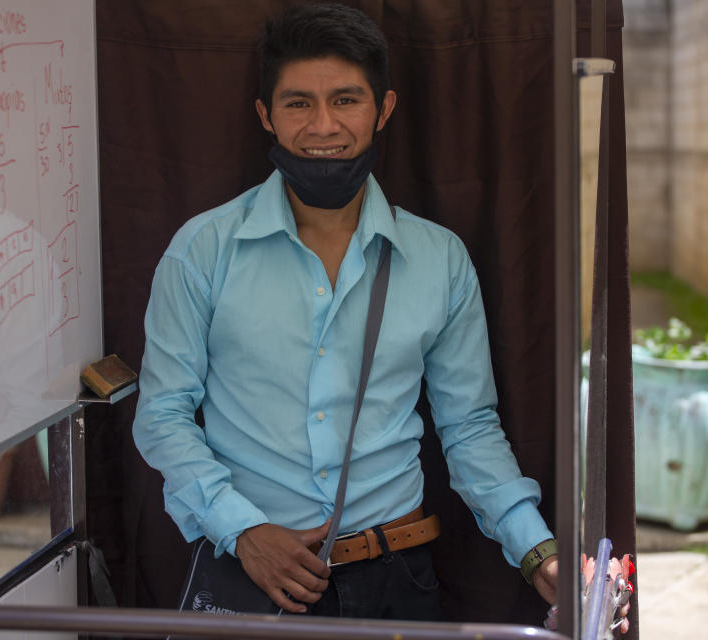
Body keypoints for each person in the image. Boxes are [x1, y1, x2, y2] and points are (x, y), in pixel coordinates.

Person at [133, 2, 559, 620]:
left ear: (383, 108)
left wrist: (537, 550)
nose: (323, 125)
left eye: (347, 100)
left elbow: (468, 428)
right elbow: (162, 416)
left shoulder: (440, 259)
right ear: (266, 116)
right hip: (248, 572)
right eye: (298, 102)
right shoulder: (203, 249)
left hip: (397, 580)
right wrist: (242, 531)